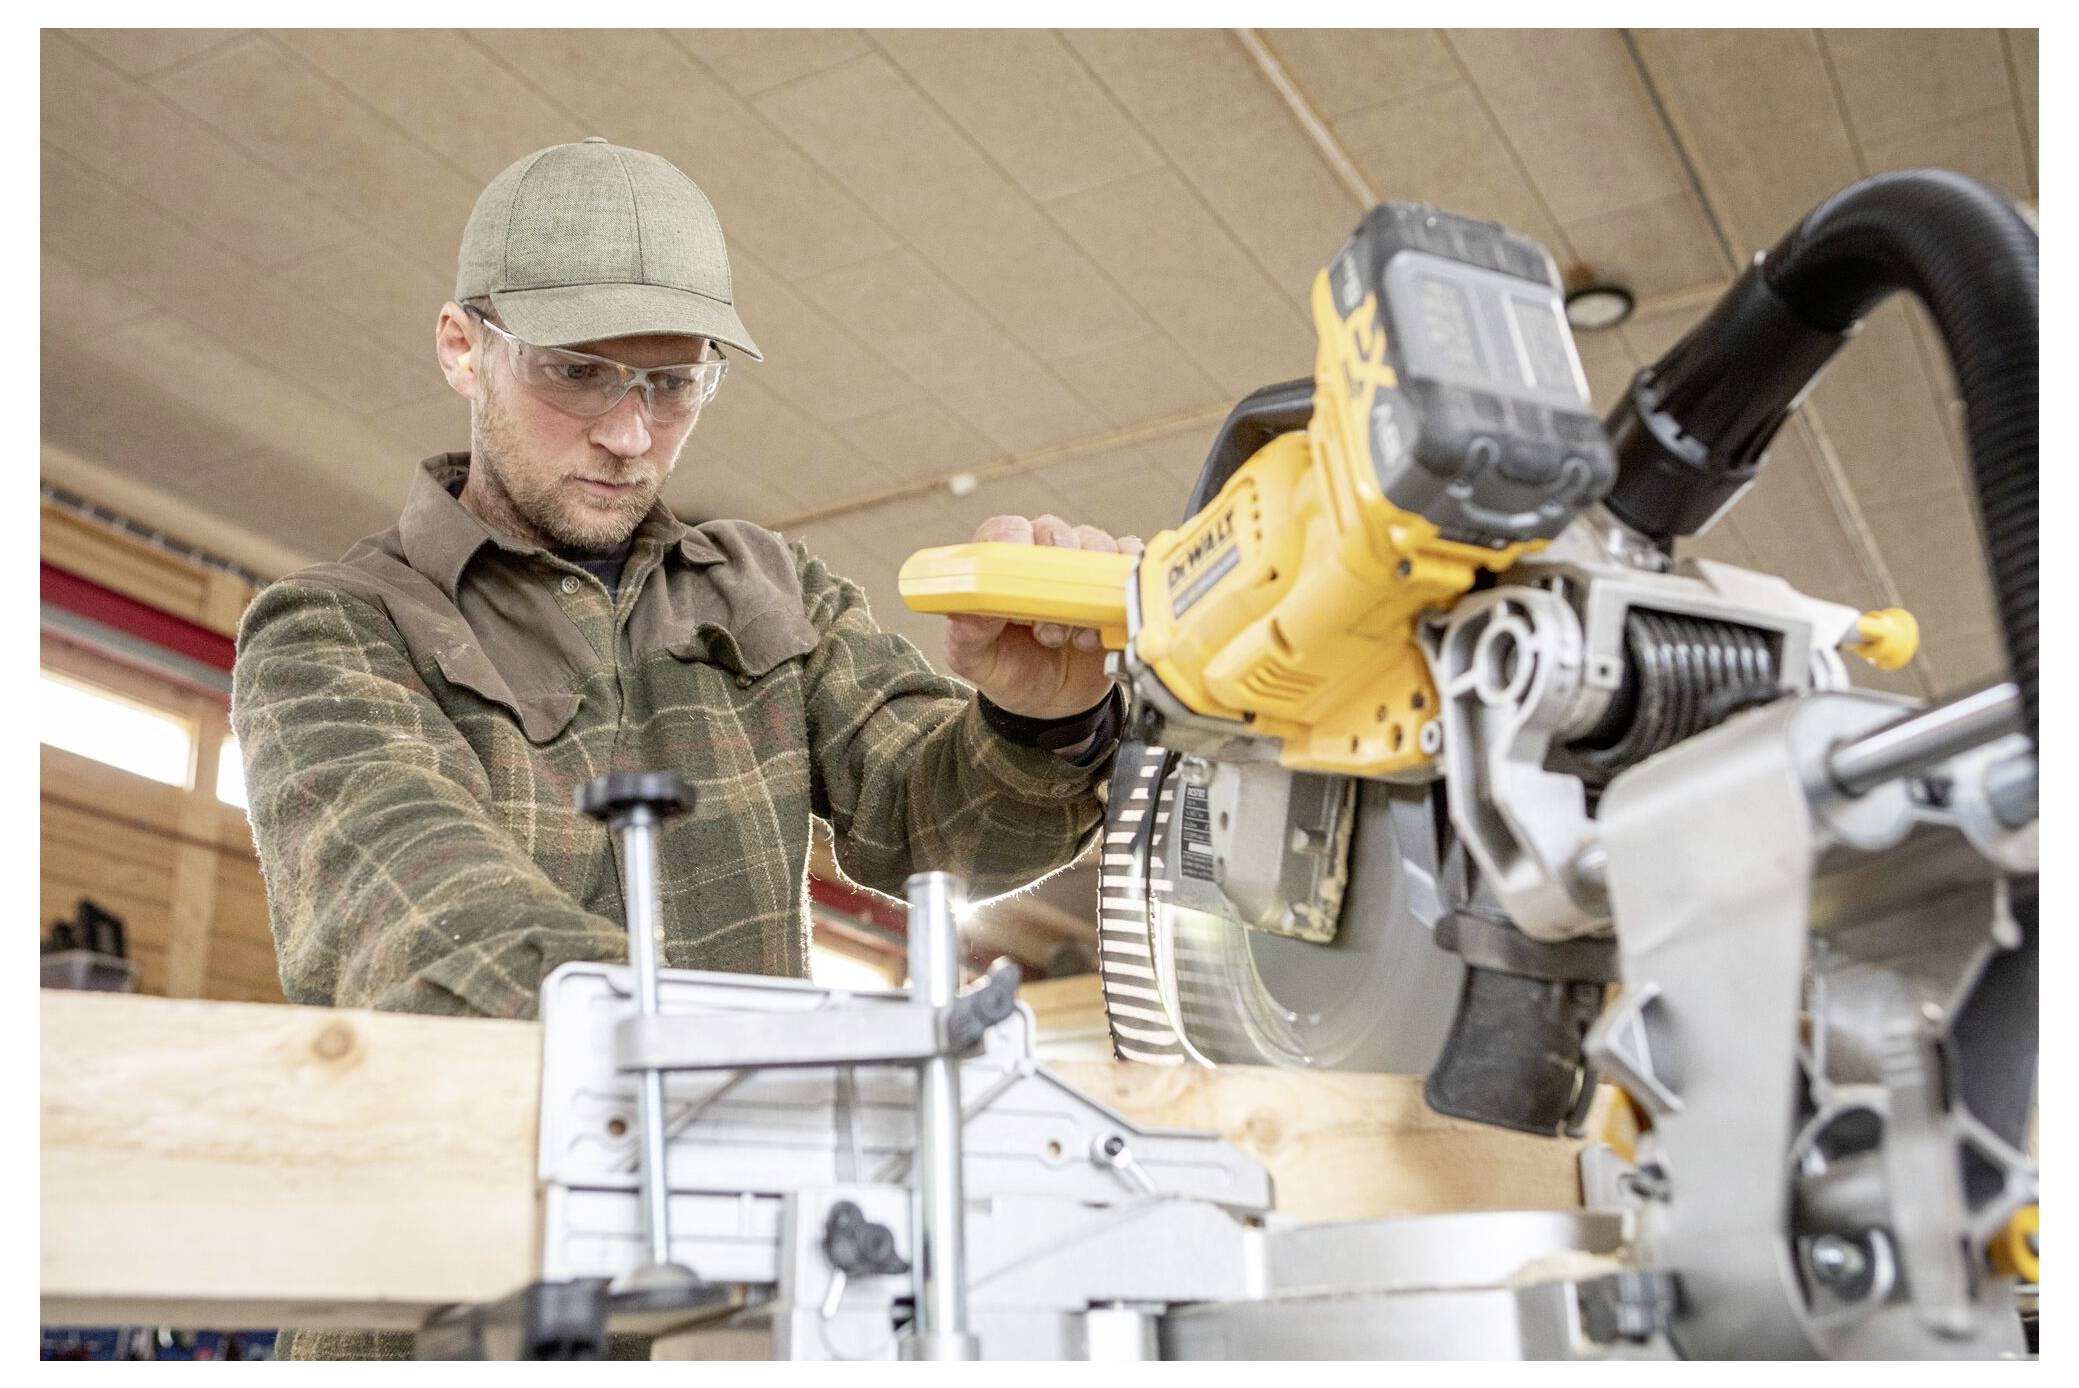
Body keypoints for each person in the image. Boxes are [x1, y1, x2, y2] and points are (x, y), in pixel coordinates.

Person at [230, 138, 1134, 1360]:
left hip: (735, 1306)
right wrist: (795, 1072)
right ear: (462, 345)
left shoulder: (769, 586)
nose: (628, 433)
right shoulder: (336, 629)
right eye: (577, 373)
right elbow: (425, 919)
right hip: (445, 1319)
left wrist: (1040, 718)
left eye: (675, 381)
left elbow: (936, 818)